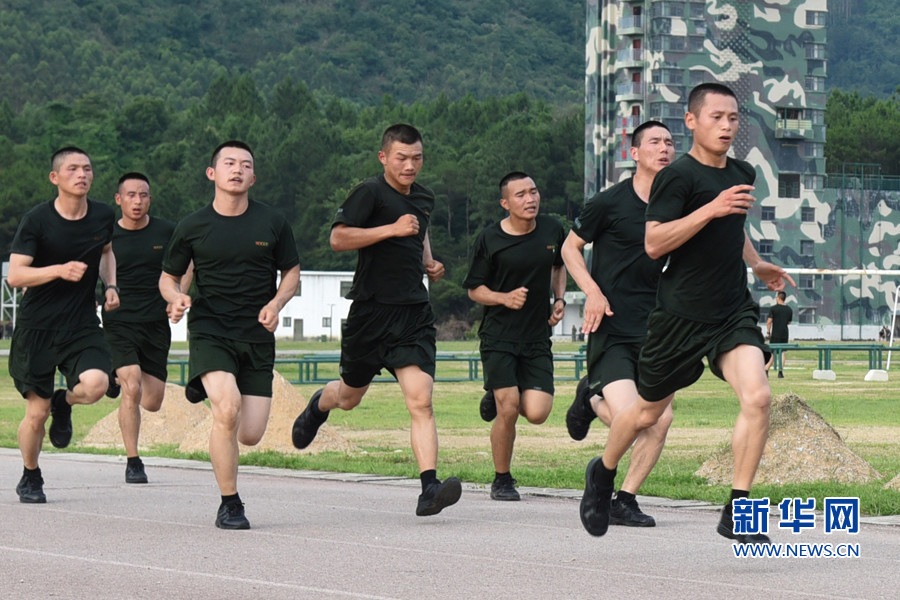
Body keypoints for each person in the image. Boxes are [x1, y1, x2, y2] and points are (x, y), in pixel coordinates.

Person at [578, 83, 794, 544]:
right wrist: (711, 209)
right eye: (716, 117)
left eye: (734, 118)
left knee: (758, 397)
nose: (727, 126)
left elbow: (731, 231)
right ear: (692, 121)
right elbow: (655, 242)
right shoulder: (676, 177)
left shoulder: (742, 171)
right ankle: (603, 471)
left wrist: (756, 263)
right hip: (680, 314)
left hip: (732, 310)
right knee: (645, 414)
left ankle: (738, 508)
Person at [291, 124, 462, 516]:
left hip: (413, 313)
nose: (410, 166)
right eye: (401, 158)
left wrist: (428, 262)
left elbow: (418, 232)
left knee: (421, 399)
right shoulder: (369, 192)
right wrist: (391, 229)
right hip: (371, 311)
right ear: (384, 157)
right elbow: (338, 239)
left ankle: (428, 489)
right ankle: (319, 405)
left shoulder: (423, 197)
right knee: (349, 398)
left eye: (417, 158)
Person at [159, 141, 300, 530]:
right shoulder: (192, 226)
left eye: (246, 165)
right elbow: (169, 277)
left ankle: (206, 387)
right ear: (212, 173)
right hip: (211, 329)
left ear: (253, 177)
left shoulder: (272, 222)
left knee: (251, 434)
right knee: (228, 409)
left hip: (256, 334)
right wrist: (176, 298)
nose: (237, 170)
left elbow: (291, 272)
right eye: (229, 163)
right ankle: (229, 503)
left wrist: (277, 303)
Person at [560, 121, 676, 526]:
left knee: (660, 420)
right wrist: (592, 291)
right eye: (655, 142)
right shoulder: (608, 203)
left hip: (657, 330)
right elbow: (569, 248)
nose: (664, 148)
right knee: (637, 417)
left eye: (669, 142)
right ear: (635, 153)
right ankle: (592, 398)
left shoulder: (678, 210)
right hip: (610, 325)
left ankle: (624, 499)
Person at [7, 146, 118, 504]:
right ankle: (30, 474)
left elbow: (106, 252)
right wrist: (58, 269)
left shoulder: (103, 215)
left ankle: (64, 400)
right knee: (36, 415)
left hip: (81, 324)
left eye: (87, 168)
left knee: (98, 384)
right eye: (73, 169)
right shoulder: (37, 220)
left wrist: (110, 285)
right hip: (37, 327)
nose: (82, 175)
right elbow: (16, 275)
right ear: (55, 178)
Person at [463, 172, 566, 501]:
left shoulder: (552, 230)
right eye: (520, 195)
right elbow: (474, 290)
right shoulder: (490, 238)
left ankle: (497, 394)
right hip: (499, 336)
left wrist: (559, 299)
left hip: (536, 337)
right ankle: (502, 479)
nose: (530, 199)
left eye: (534, 191)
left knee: (536, 413)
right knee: (509, 409)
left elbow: (558, 266)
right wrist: (504, 298)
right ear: (505, 203)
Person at [102, 172, 190, 484]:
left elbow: (187, 264)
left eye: (143, 195)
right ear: (119, 199)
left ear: (150, 198)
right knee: (133, 385)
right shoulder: (107, 234)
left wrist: (178, 295)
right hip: (119, 320)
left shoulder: (167, 231)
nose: (137, 201)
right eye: (131, 195)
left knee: (152, 401)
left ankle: (115, 374)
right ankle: (133, 460)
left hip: (155, 322)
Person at [764, 291, 792, 378]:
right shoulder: (789, 309)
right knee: (783, 352)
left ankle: (766, 369)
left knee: (773, 353)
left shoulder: (773, 308)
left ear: (779, 298)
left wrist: (768, 332)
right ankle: (780, 372)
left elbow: (769, 321)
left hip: (775, 333)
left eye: (776, 297)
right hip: (784, 333)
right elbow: (789, 322)